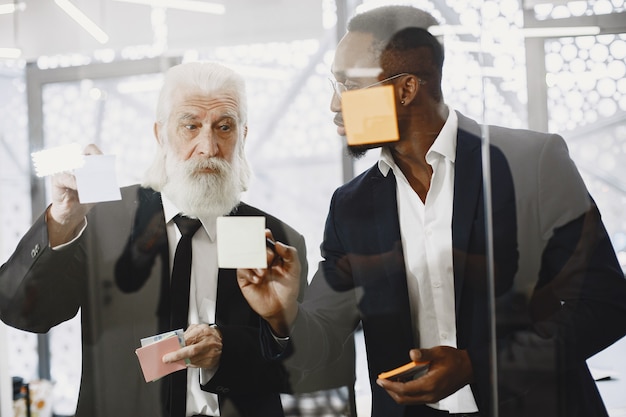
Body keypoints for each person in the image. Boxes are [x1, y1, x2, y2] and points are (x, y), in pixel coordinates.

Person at [237, 5, 626, 417]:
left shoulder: (531, 162)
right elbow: (323, 342)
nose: (335, 104)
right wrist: (283, 314)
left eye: (349, 86)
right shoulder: (351, 205)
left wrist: (477, 366)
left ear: (405, 89)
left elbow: (606, 306)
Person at [0, 62, 309, 417]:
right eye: (189, 126)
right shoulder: (104, 219)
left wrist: (233, 348)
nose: (207, 146)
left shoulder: (276, 240)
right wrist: (62, 219)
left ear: (243, 135)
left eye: (224, 127)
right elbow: (21, 312)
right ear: (160, 134)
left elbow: (300, 366)